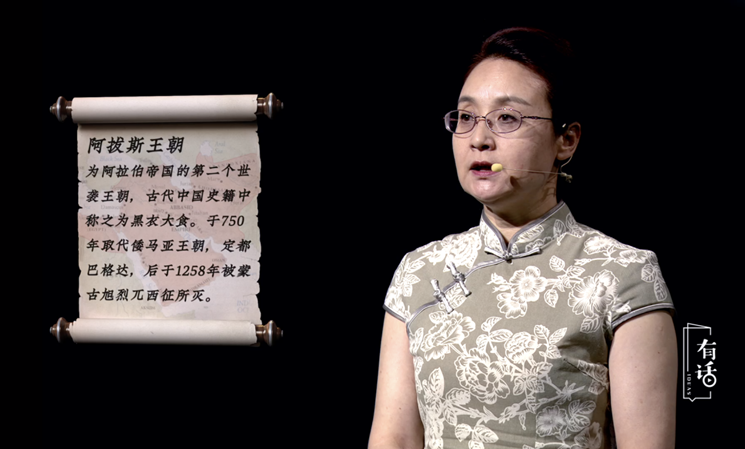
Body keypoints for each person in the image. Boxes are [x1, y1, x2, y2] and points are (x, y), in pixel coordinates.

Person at [368, 28, 676, 449]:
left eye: (507, 118)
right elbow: (394, 438)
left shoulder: (622, 275)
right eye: (466, 117)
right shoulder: (420, 271)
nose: (479, 139)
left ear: (566, 139)